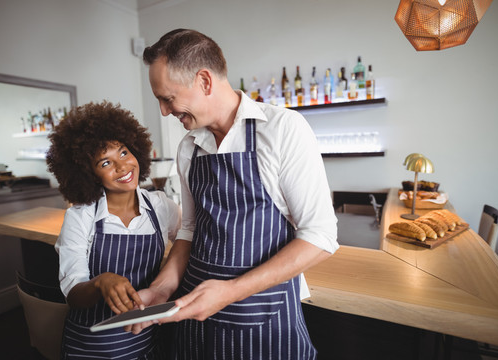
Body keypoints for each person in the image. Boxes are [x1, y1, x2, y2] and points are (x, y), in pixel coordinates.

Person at [133, 29, 338, 359]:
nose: (164, 111)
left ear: (204, 81)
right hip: (195, 320)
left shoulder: (283, 129)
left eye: (168, 98)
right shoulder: (189, 147)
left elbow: (320, 238)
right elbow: (190, 230)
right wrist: (162, 287)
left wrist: (230, 292)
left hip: (263, 320)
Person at [46, 101, 181, 359]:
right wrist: (100, 282)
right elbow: (74, 294)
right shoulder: (80, 216)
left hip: (145, 340)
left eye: (123, 152)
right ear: (89, 174)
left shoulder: (161, 206)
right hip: (92, 348)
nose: (122, 167)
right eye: (105, 163)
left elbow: (188, 240)